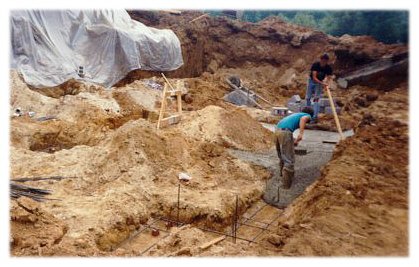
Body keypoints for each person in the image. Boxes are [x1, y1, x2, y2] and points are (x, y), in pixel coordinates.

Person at [275, 106, 314, 189]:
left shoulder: (296, 115)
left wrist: (294, 142)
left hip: (277, 131)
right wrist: (301, 133)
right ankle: (286, 186)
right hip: (285, 132)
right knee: (289, 160)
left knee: (282, 156)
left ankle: (282, 177)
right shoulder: (307, 115)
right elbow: (303, 119)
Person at [306, 53, 333, 122]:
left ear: (327, 61)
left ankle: (314, 117)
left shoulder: (328, 68)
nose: (323, 62)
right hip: (312, 81)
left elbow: (329, 77)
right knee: (308, 98)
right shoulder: (315, 65)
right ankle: (307, 115)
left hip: (319, 83)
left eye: (325, 61)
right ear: (320, 60)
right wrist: (322, 83)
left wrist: (326, 83)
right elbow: (314, 77)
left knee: (316, 99)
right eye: (322, 60)